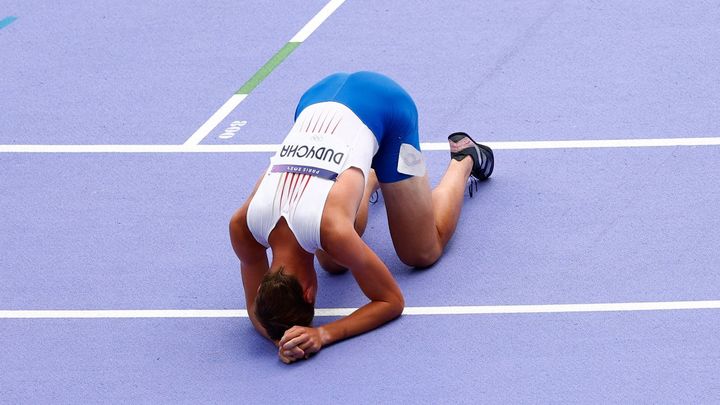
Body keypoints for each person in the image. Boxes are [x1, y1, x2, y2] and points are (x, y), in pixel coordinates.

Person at [229, 71, 493, 363]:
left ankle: (465, 158)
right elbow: (255, 311)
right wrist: (283, 340)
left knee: (421, 252)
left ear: (308, 293)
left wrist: (323, 334)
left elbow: (391, 301)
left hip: (387, 106)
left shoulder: (331, 230)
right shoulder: (242, 227)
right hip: (316, 94)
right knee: (333, 261)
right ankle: (368, 172)